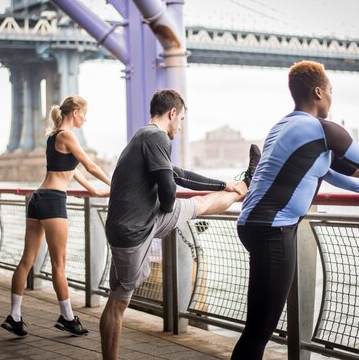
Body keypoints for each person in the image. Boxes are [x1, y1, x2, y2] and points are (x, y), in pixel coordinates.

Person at [231, 61, 359, 359]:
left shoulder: (282, 126)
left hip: (255, 225)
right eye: (330, 90)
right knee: (259, 331)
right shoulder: (324, 130)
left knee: (258, 327)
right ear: (319, 92)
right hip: (273, 230)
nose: (332, 96)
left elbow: (328, 171)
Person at [99, 89, 259, 360]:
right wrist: (168, 207)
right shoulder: (156, 137)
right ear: (172, 113)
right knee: (118, 304)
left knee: (201, 203)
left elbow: (178, 175)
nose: (181, 126)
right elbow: (168, 187)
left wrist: (222, 183)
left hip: (131, 224)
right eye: (182, 119)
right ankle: (248, 183)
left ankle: (241, 183)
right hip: (136, 229)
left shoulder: (143, 137)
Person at [1, 95, 111, 338]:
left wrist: (93, 190)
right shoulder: (68, 135)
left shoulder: (54, 136)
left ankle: (15, 316)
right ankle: (68, 318)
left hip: (38, 199)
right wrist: (115, 184)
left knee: (26, 261)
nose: (86, 118)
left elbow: (69, 170)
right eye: (84, 113)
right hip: (53, 201)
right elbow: (90, 166)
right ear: (75, 112)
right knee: (59, 265)